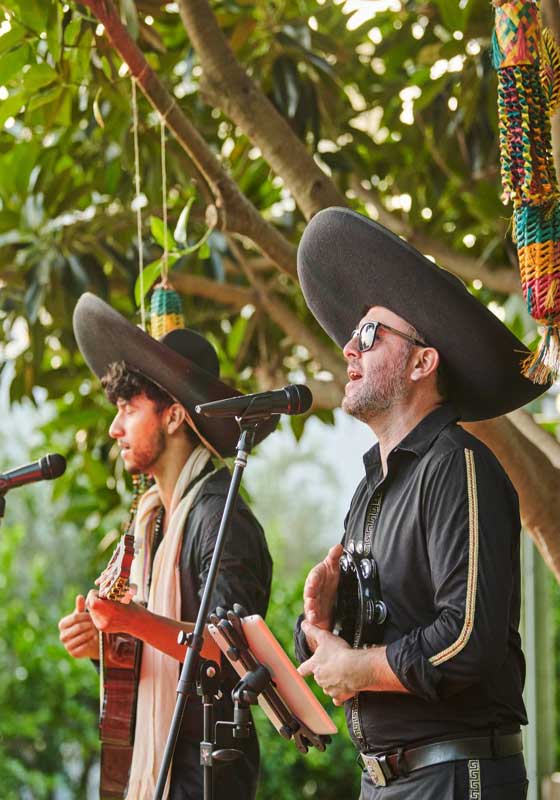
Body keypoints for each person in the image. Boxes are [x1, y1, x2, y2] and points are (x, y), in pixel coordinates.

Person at [294, 207, 549, 799]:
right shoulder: (370, 487)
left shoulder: (459, 466)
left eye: (368, 335)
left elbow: (466, 639)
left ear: (421, 361)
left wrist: (360, 669)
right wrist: (318, 625)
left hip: (457, 776)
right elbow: (359, 641)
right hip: (383, 779)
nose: (349, 352)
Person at [58, 293, 276, 800]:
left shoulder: (222, 518)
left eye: (129, 409)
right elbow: (154, 648)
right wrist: (106, 644)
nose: (114, 429)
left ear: (175, 416)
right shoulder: (152, 523)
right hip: (159, 768)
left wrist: (129, 620)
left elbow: (229, 655)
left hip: (206, 776)